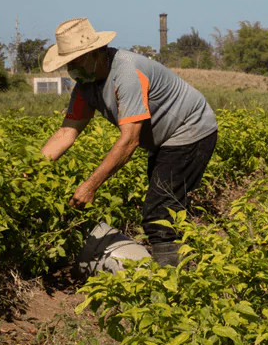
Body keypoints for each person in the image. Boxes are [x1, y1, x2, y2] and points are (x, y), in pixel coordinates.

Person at [39, 18, 218, 271]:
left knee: (159, 212)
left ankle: (176, 281)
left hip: (190, 129)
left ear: (93, 53)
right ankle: (183, 262)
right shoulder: (84, 87)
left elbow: (129, 140)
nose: (71, 68)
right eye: (68, 63)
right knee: (166, 203)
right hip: (162, 141)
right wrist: (32, 171)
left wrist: (90, 186)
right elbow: (67, 133)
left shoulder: (127, 72)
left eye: (75, 61)